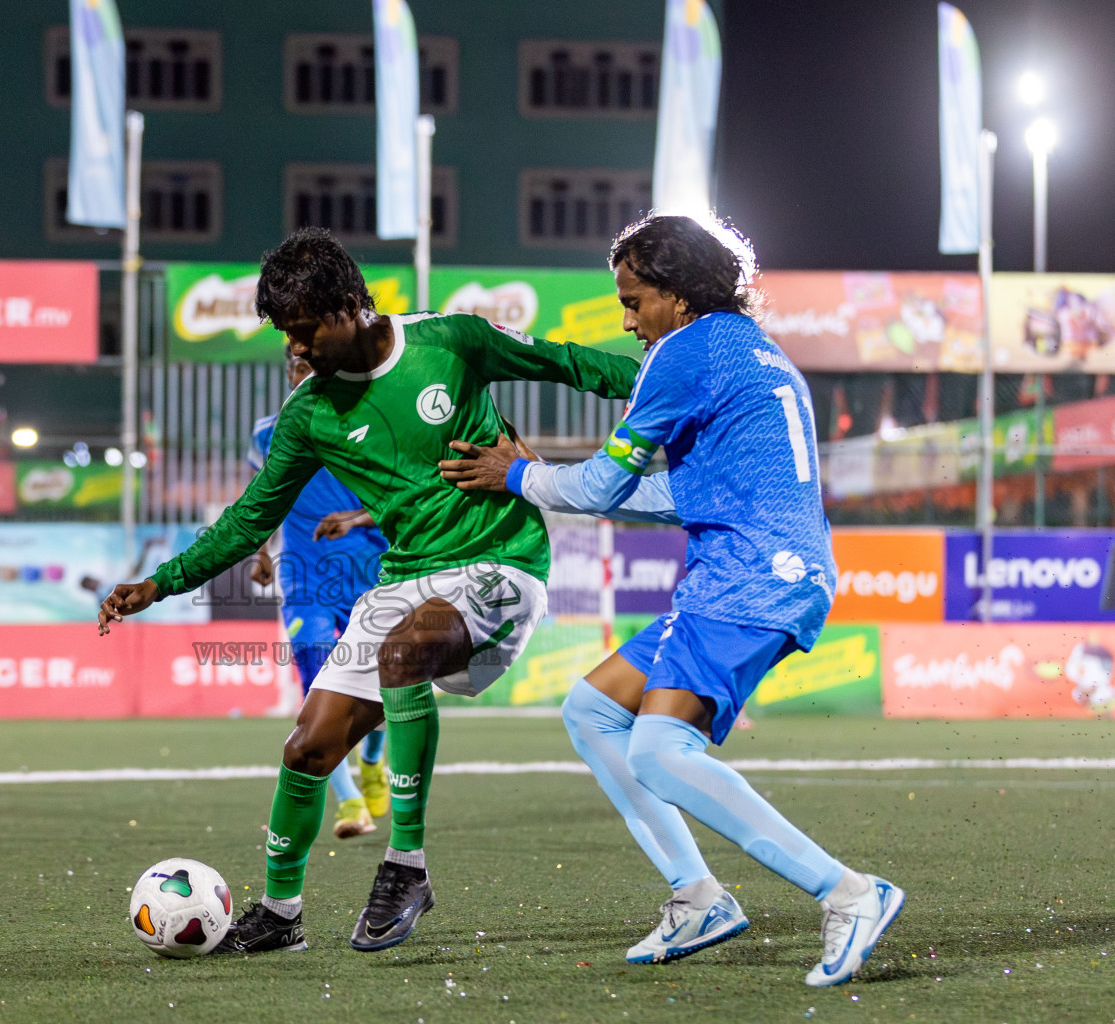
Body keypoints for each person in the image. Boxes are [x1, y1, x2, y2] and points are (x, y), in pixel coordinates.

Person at [100, 227, 639, 954]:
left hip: (501, 562)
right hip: (407, 576)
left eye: (303, 331)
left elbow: (566, 363)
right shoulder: (309, 414)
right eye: (285, 336)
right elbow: (246, 519)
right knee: (307, 751)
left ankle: (406, 867)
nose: (295, 350)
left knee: (401, 653)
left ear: (350, 305)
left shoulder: (452, 341)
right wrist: (158, 583)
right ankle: (281, 913)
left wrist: (668, 389)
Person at [439, 214, 903, 988]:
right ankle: (698, 896)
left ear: (678, 295)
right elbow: (678, 493)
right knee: (592, 711)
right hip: (759, 569)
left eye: (633, 299)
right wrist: (541, 476)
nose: (626, 318)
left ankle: (849, 893)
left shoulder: (683, 353)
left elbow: (601, 485)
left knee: (659, 749)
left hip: (752, 576)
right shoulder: (748, 349)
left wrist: (519, 476)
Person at [248, 346, 391, 840]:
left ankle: (373, 762)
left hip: (373, 574)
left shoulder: (368, 427)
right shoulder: (267, 434)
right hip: (304, 581)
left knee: (383, 690)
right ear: (287, 370)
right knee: (317, 691)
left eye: (311, 363)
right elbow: (264, 498)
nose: (301, 370)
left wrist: (355, 519)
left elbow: (401, 499)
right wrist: (262, 551)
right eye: (294, 362)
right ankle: (350, 801)